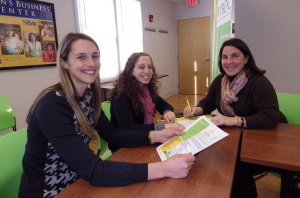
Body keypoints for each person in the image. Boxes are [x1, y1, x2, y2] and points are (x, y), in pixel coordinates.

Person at [19, 33, 195, 198]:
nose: (91, 63)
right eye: (81, 57)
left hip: (79, 180)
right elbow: (94, 170)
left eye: (95, 56)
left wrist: (156, 134)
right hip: (50, 191)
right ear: (64, 62)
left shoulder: (88, 96)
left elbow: (112, 134)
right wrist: (165, 169)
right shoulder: (52, 106)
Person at [183, 38, 280, 198]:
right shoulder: (220, 80)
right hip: (234, 136)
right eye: (224, 57)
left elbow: (270, 118)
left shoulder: (259, 82)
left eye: (235, 56)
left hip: (260, 138)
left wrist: (233, 120)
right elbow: (207, 103)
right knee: (210, 159)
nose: (229, 61)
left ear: (246, 58)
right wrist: (196, 109)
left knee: (234, 169)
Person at [109, 52, 179, 142]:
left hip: (146, 135)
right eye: (141, 67)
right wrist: (162, 126)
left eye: (150, 67)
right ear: (130, 70)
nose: (147, 71)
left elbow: (163, 105)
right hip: (125, 144)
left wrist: (167, 112)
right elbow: (128, 128)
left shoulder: (146, 89)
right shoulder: (121, 95)